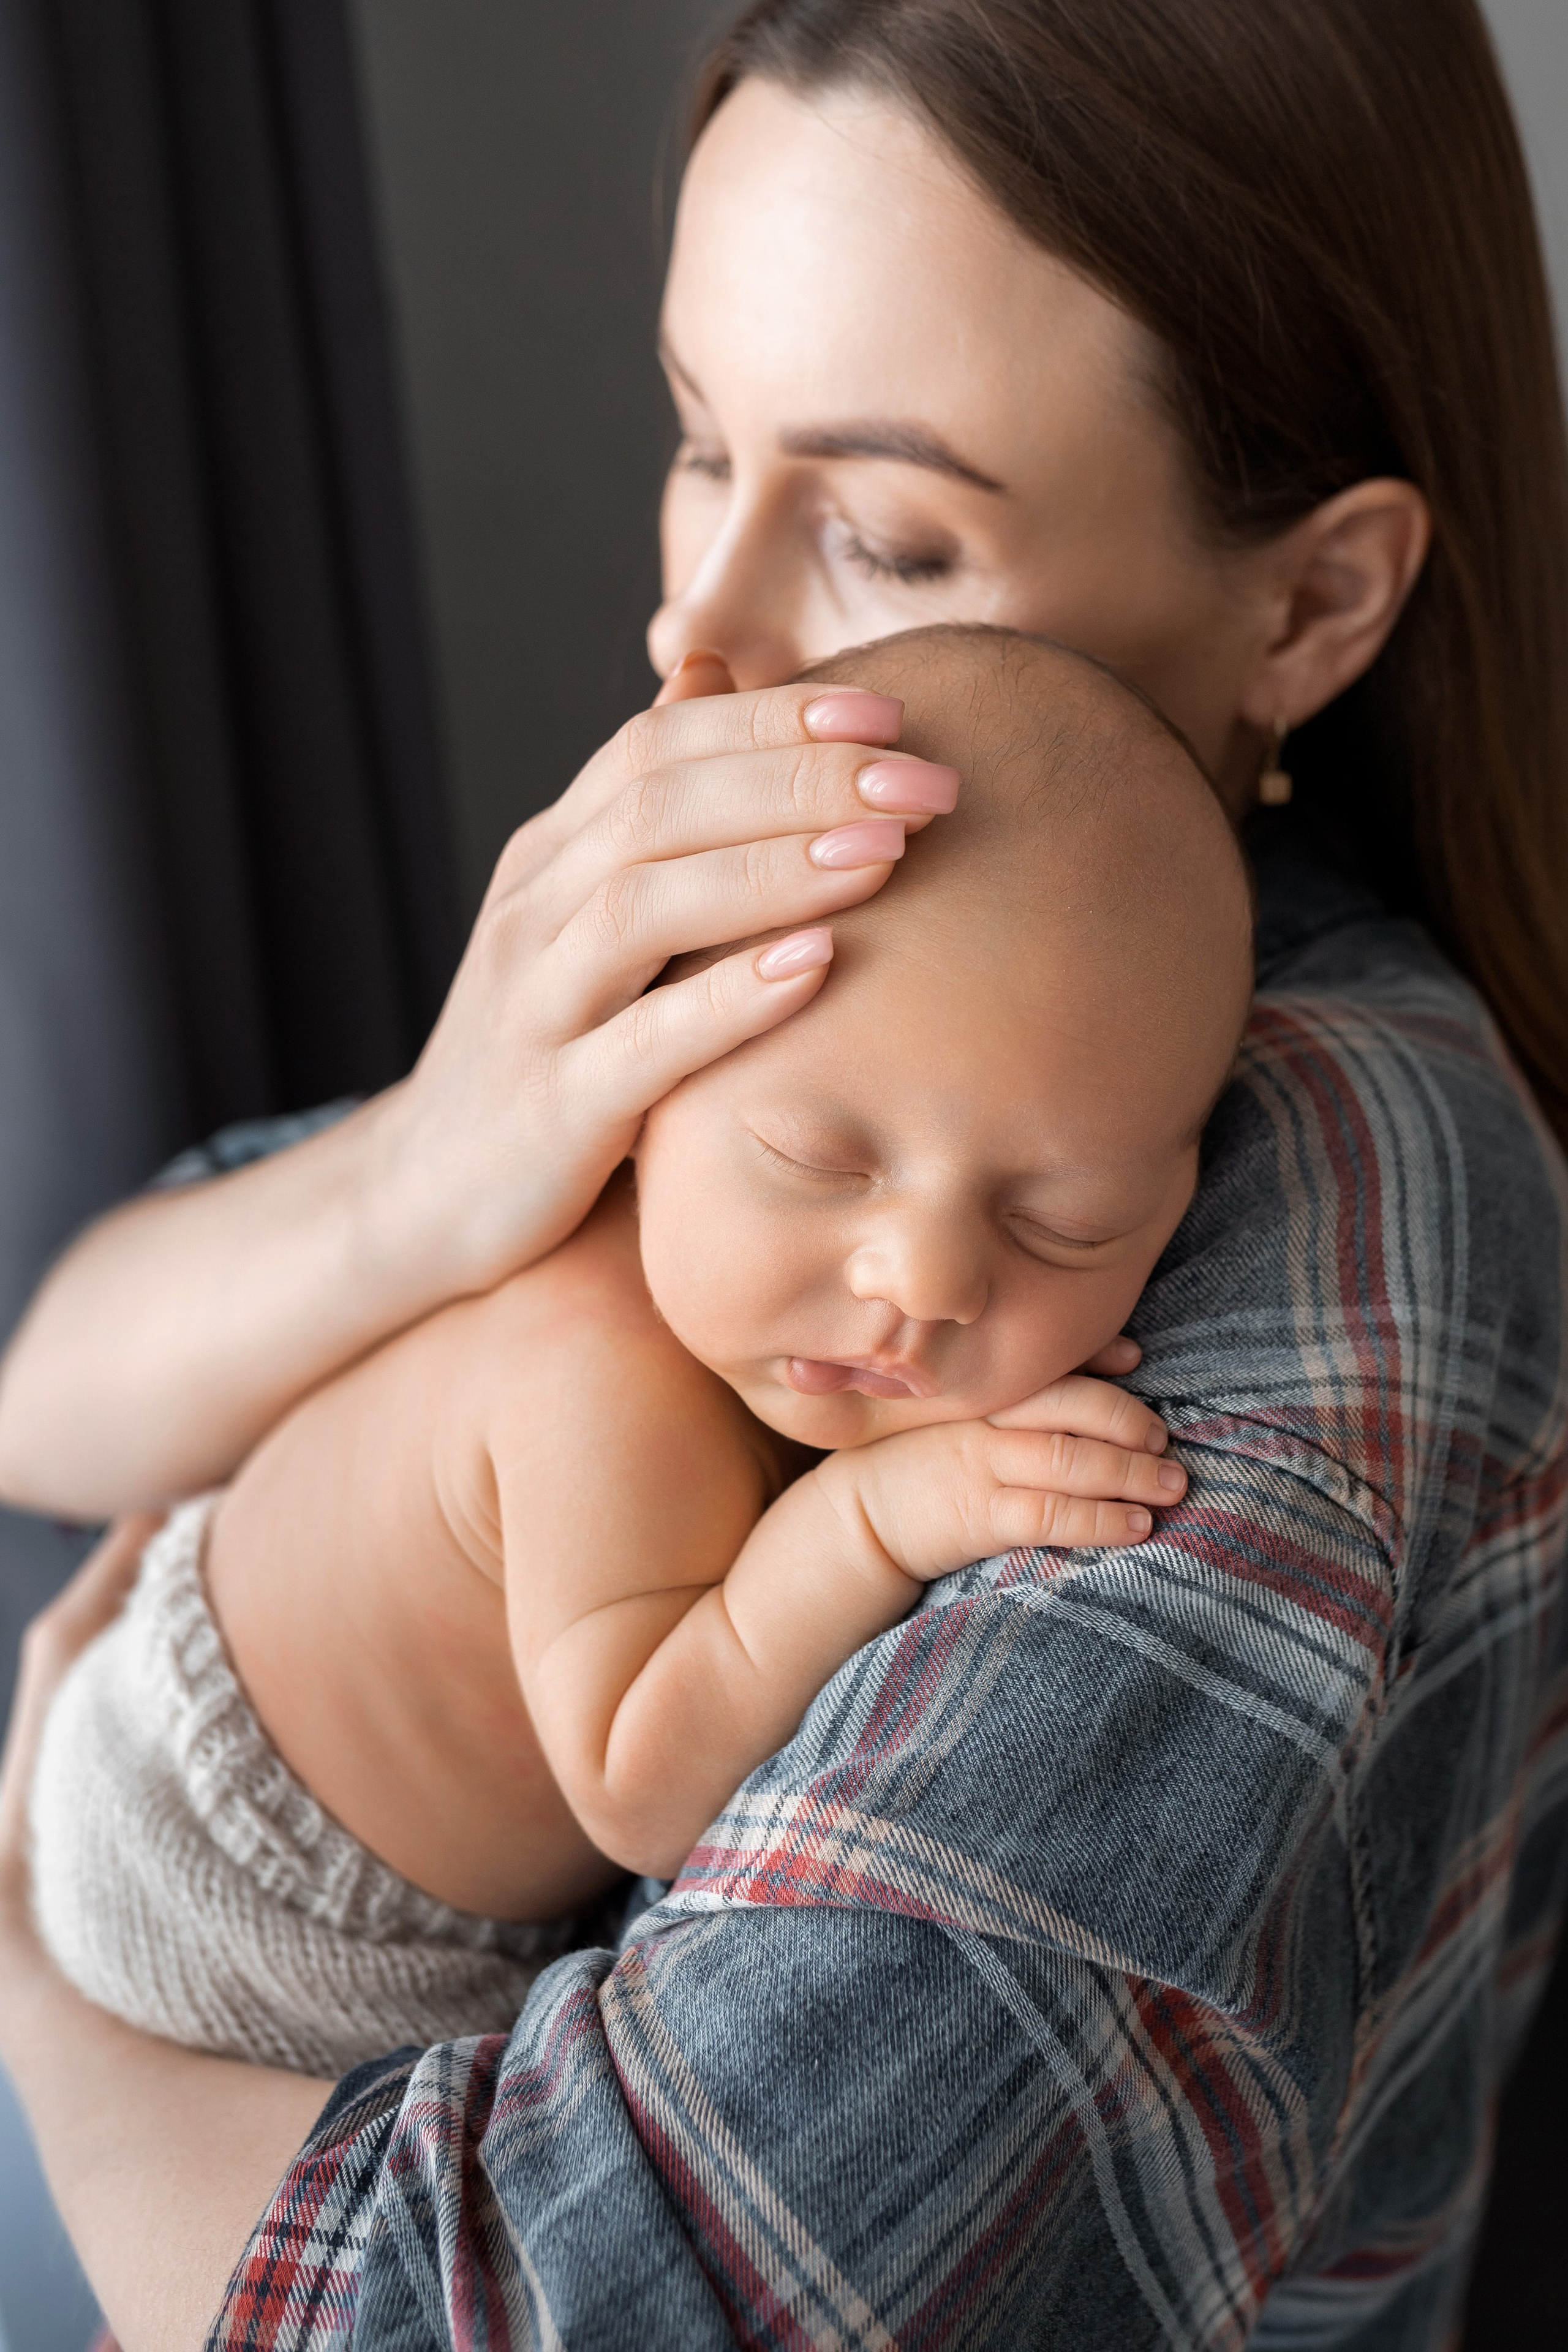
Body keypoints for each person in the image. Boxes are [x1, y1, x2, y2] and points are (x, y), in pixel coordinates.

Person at [1, 1, 1566, 2345]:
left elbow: (501, 2309)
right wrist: (442, 1161)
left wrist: (37, 1987)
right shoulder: (815, 950)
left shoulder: (1322, 1244)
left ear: (1314, 602)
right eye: (696, 440)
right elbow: (55, 1393)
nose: (692, 633)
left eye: (885, 527)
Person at [26, 630, 1251, 2079]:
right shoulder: (592, 1362)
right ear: (646, 1076)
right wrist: (866, 1515)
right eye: (813, 1157)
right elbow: (639, 1790)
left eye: (1061, 1221)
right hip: (235, 1880)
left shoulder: (756, 1284)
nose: (922, 1279)